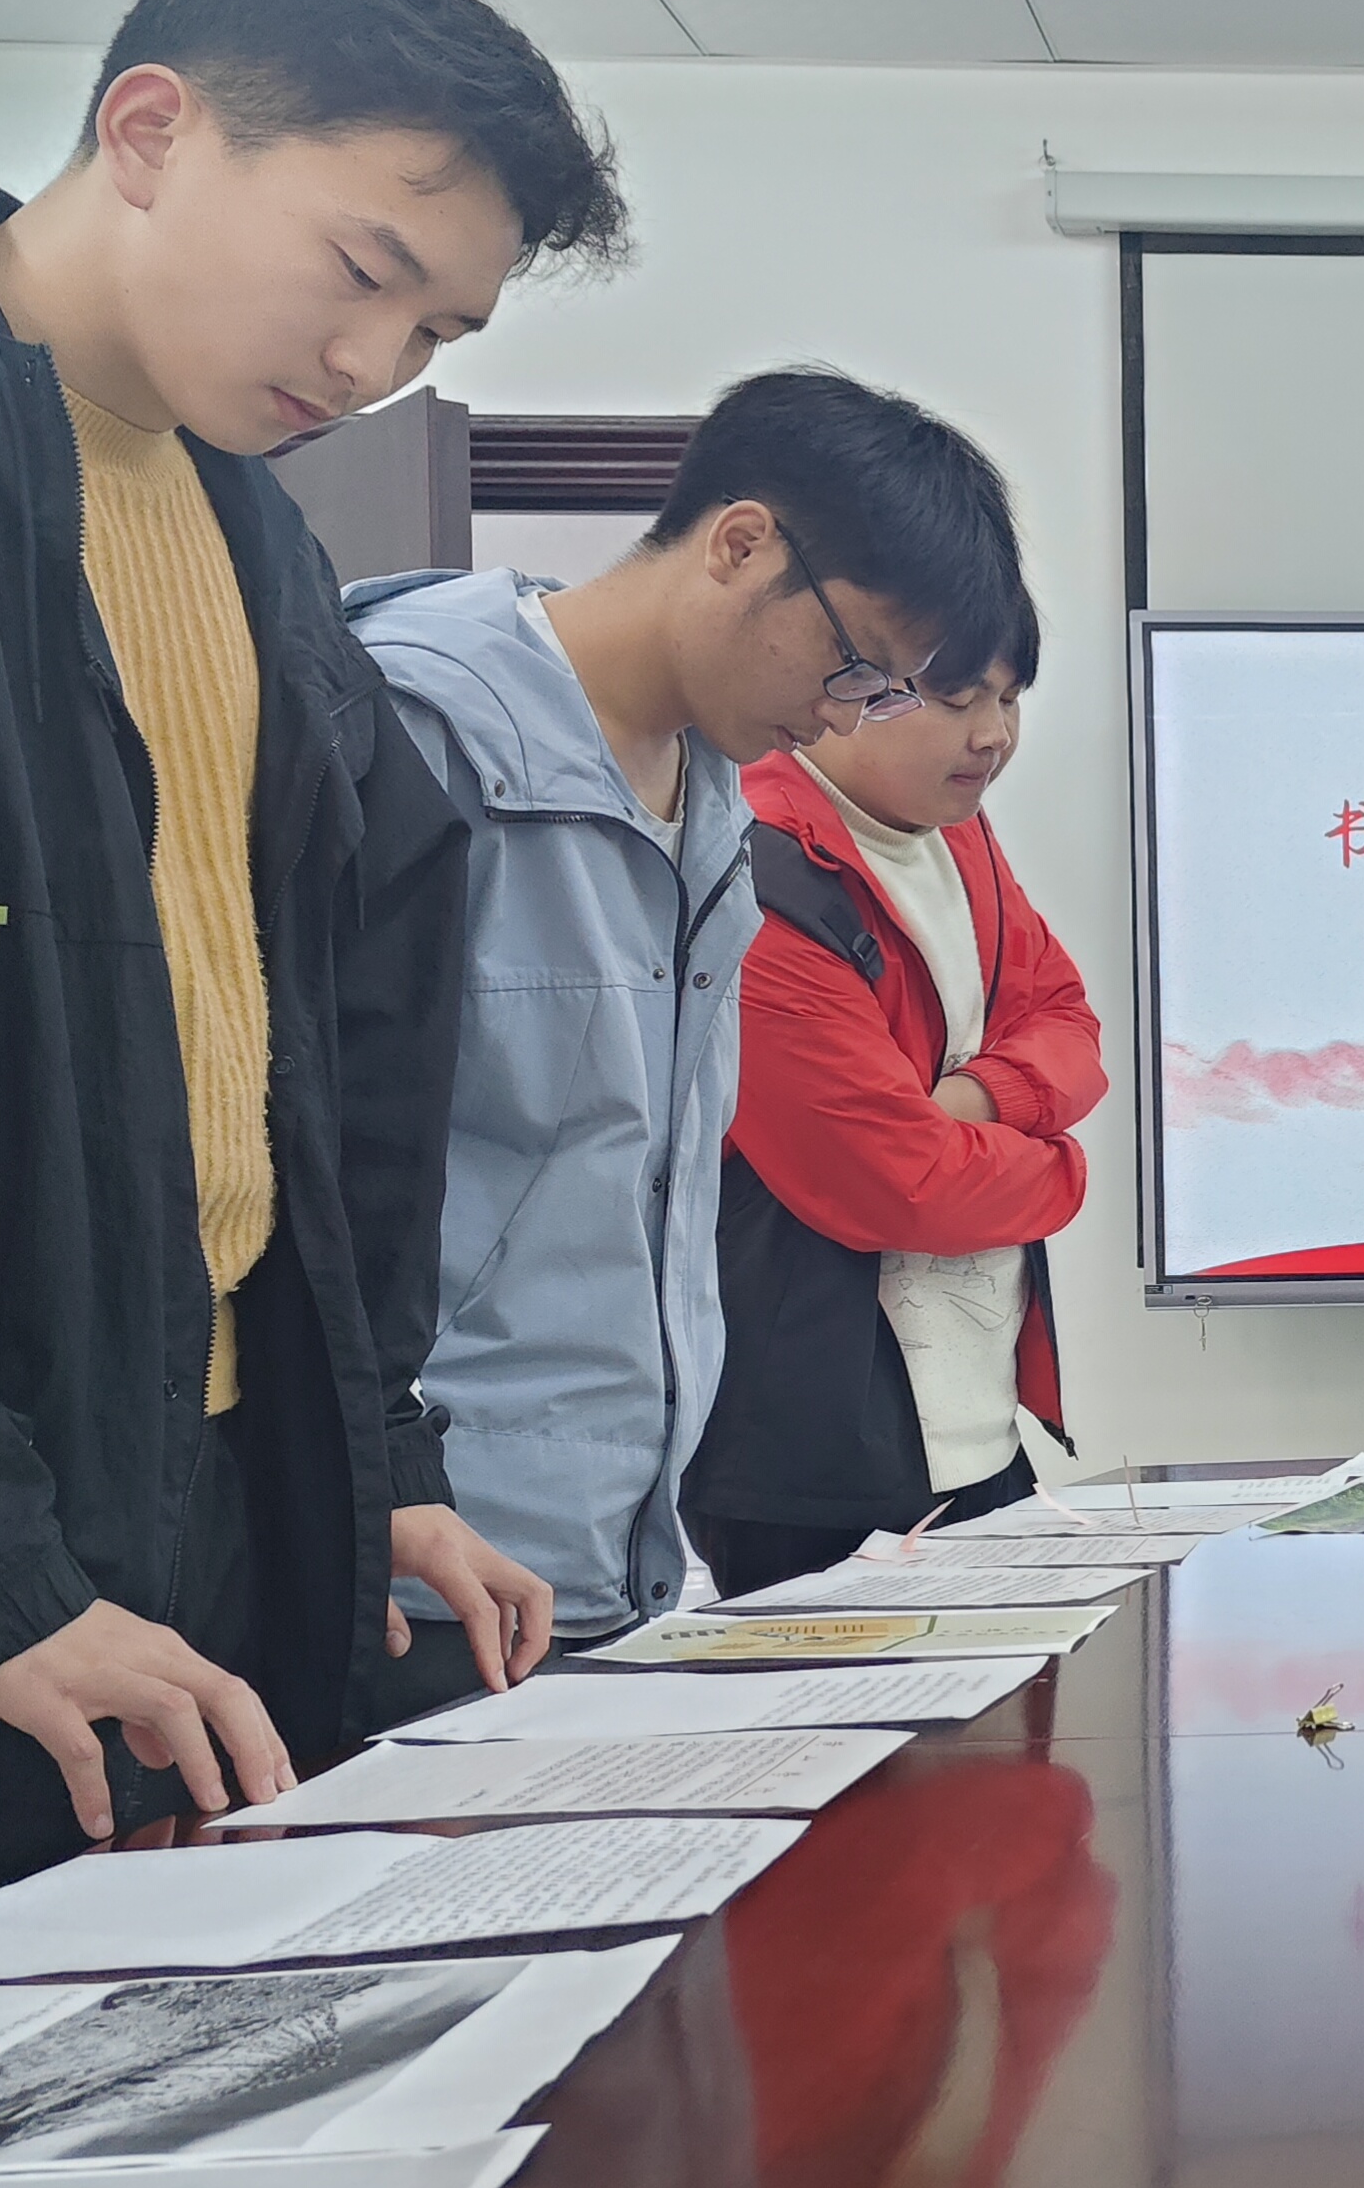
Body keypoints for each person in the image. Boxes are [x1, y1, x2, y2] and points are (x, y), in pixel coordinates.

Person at [0, 0, 619, 1987]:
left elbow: (306, 1057)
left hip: (189, 1482)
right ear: (150, 130)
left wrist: (372, 1459)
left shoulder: (257, 542)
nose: (372, 366)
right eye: (362, 269)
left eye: (436, 332)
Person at [346, 372, 1031, 1724]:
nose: (845, 716)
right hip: (425, 1560)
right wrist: (376, 1480)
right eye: (855, 668)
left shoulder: (713, 797)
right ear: (740, 544)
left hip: (621, 1560)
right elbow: (294, 1162)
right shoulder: (413, 728)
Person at [686, 599, 1105, 1601]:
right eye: (959, 699)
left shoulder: (956, 831)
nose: (994, 735)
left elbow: (1067, 1023)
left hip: (979, 1419)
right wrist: (1063, 1165)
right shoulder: (760, 870)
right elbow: (897, 1183)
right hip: (815, 1456)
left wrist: (973, 1097)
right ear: (857, 686)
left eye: (1010, 699)